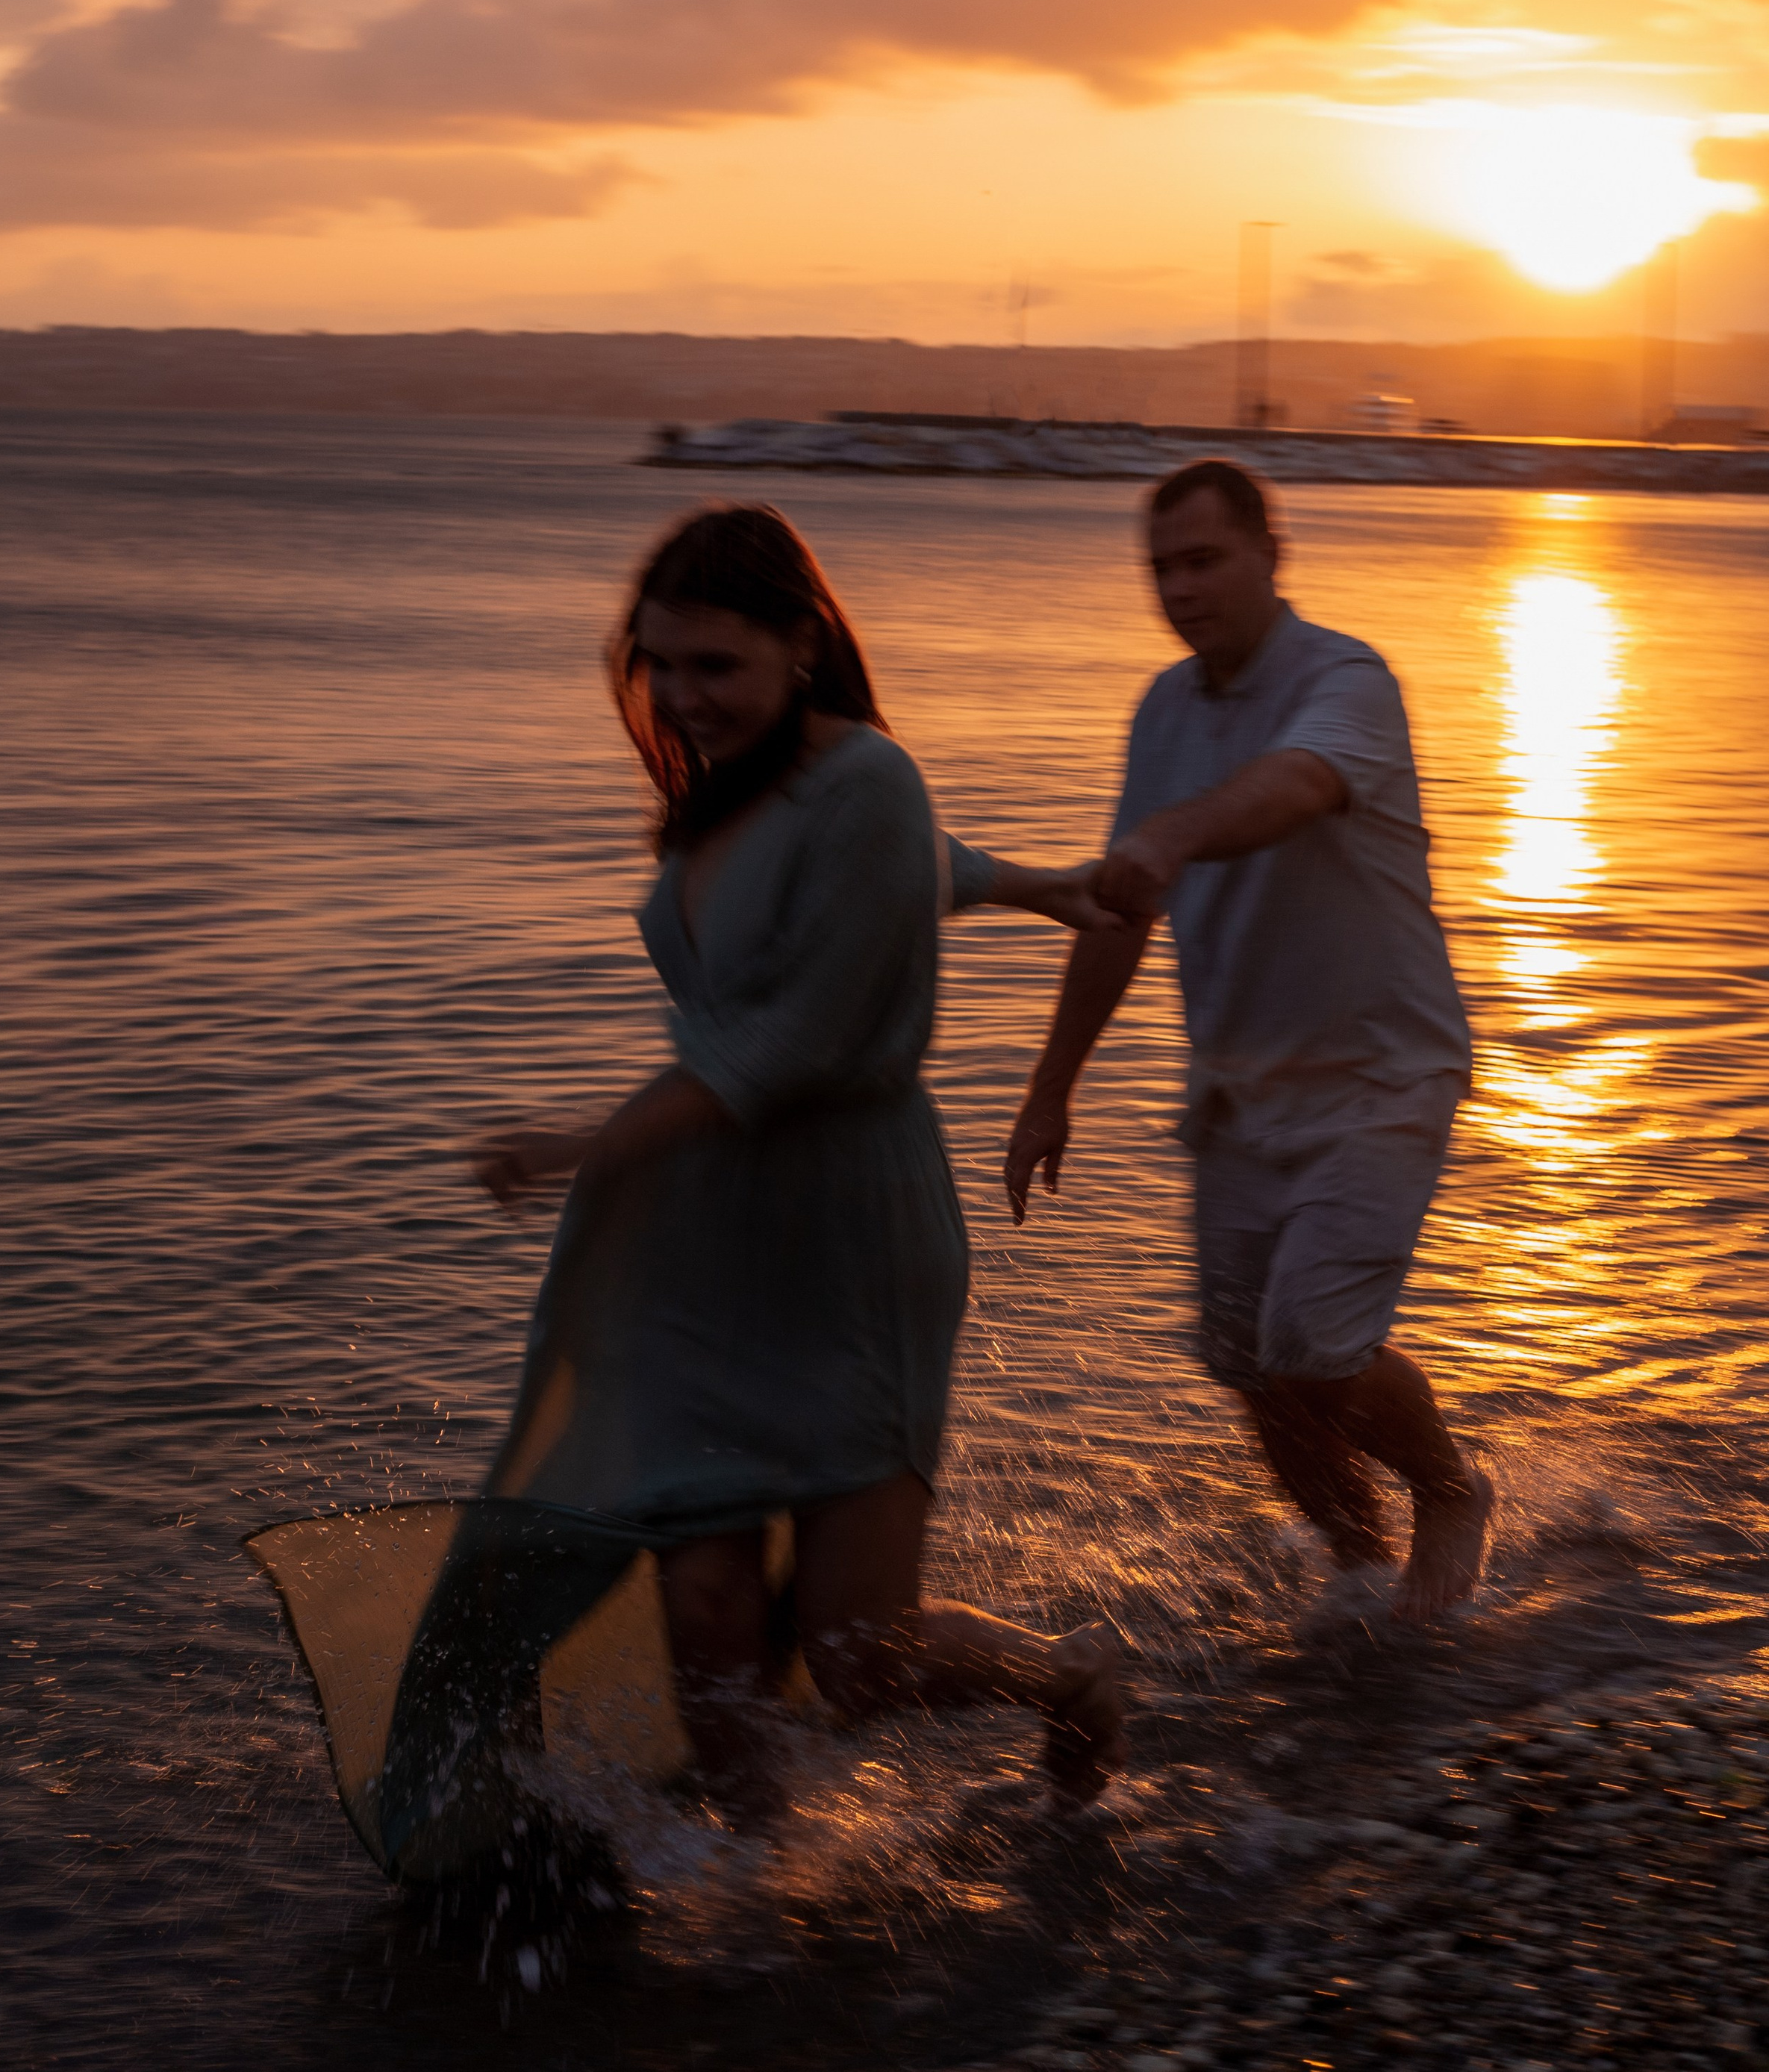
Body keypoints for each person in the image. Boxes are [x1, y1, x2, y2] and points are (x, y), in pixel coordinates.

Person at [455, 503, 1128, 1829]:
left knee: (858, 1655)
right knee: (702, 1608)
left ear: (802, 647)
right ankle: (763, 1898)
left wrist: (579, 1145)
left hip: (845, 1242)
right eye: (661, 665)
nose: (685, 697)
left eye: (718, 666)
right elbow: (904, 877)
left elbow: (782, 1048)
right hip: (697, 1256)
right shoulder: (738, 787)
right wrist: (1040, 884)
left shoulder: (868, 776)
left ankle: (1075, 1684)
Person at [1005, 459, 1492, 1626]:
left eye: (1205, 560)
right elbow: (1125, 909)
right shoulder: (1163, 710)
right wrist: (1049, 1090)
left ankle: (1452, 1490)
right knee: (1251, 1374)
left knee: (1314, 1347)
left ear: (1273, 555)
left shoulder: (1344, 680)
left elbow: (1297, 785)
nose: (1181, 588)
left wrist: (1174, 835)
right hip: (1237, 1097)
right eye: (1161, 567)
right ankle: (1361, 1581)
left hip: (1380, 1077)